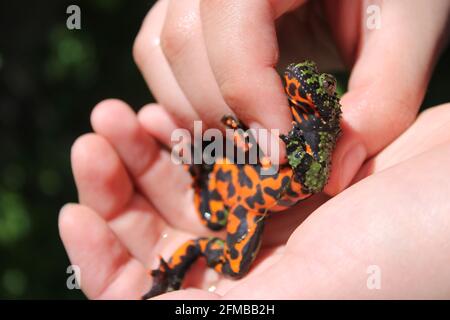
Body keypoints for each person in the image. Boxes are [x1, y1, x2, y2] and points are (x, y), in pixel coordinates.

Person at [59, 0, 450, 299]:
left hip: (250, 200)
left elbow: (314, 176)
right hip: (241, 185)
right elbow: (257, 127)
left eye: (322, 87)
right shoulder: (292, 112)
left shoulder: (322, 136)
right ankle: (184, 243)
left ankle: (188, 253)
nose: (306, 82)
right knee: (233, 257)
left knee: (234, 264)